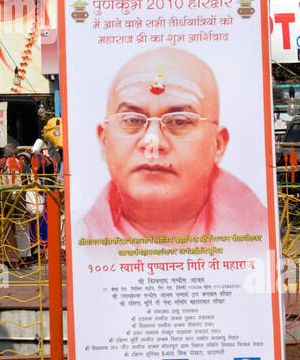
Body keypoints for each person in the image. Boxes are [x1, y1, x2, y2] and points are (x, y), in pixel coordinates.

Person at [77, 47, 269, 240]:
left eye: (179, 121)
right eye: (133, 120)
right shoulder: (83, 240)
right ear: (104, 140)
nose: (152, 142)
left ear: (217, 144)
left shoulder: (255, 237)